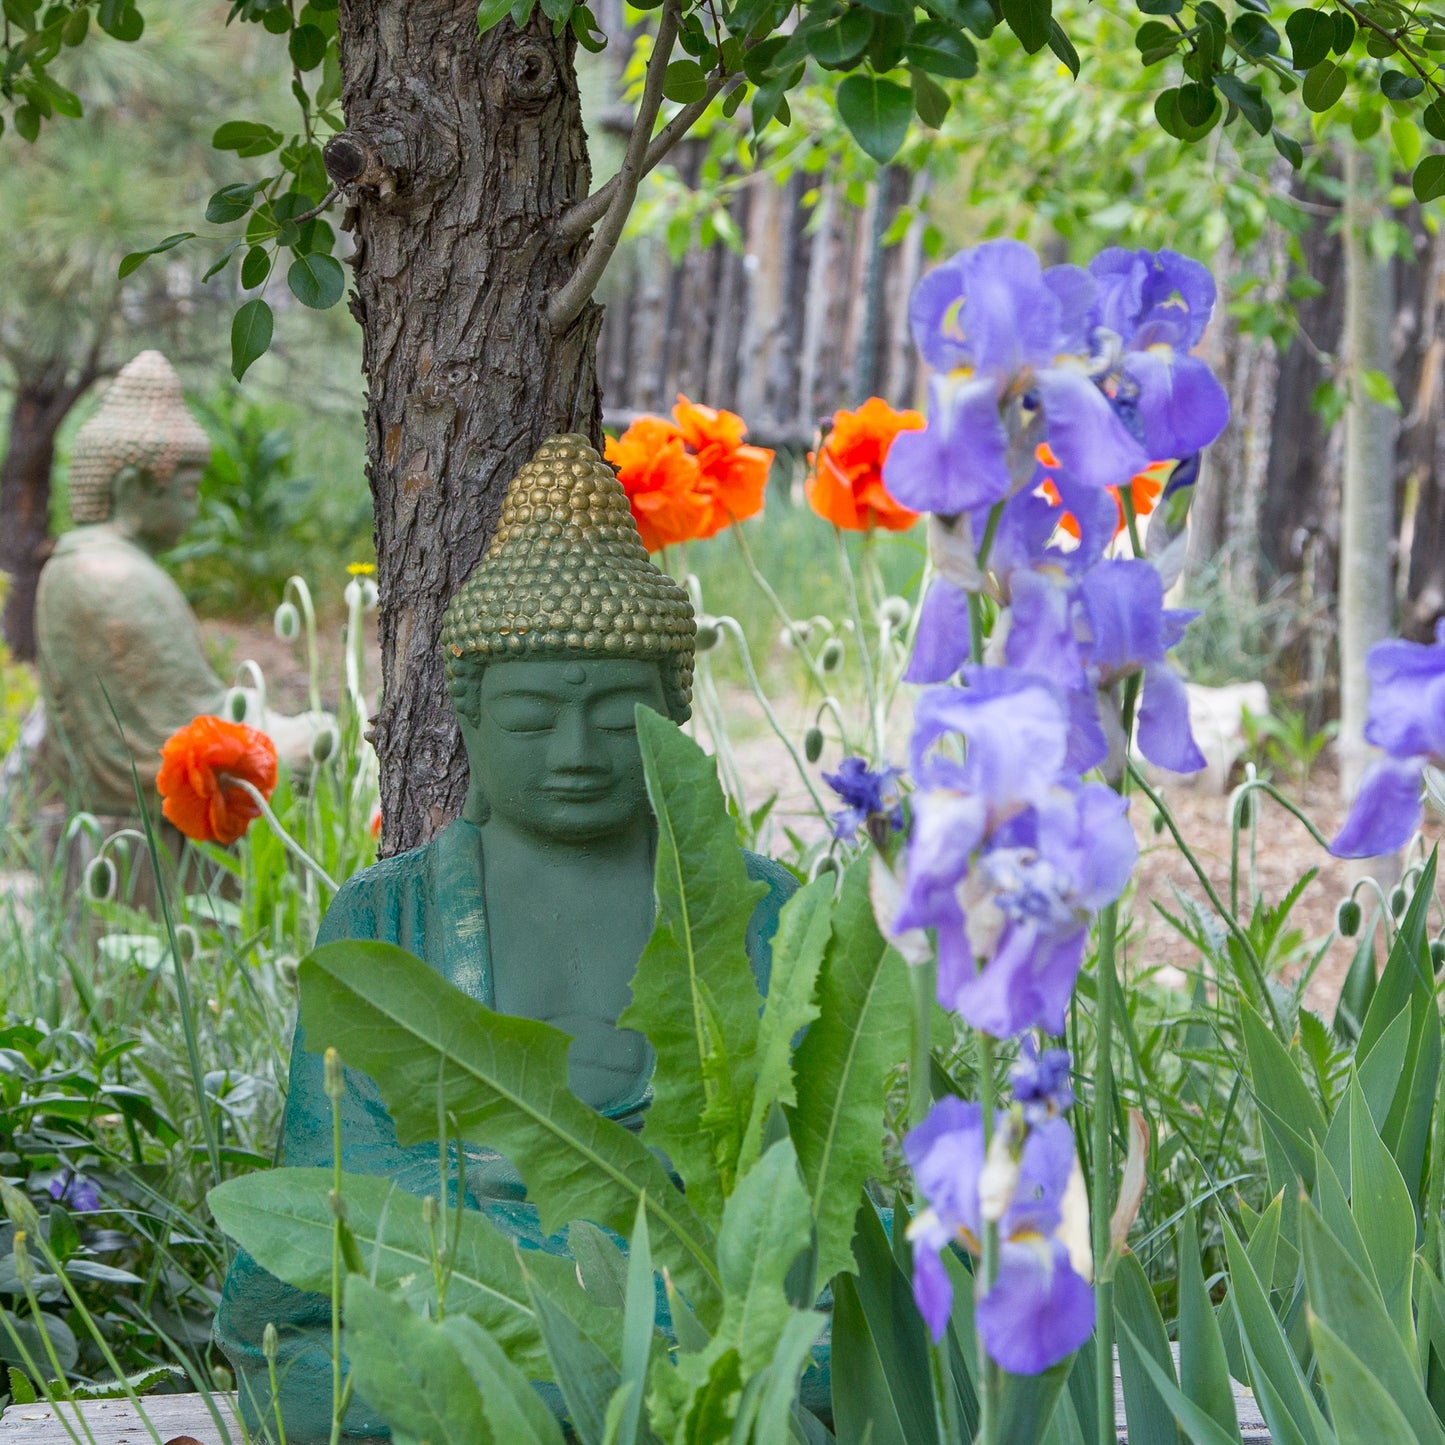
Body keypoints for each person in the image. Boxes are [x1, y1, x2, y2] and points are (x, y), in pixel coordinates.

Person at [214, 434, 796, 1440]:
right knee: (293, 1332)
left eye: (616, 718)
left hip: (684, 1275)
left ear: (673, 714)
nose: (574, 754)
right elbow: (331, 1181)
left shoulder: (754, 904)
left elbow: (799, 1177)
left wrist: (649, 1235)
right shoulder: (384, 915)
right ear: (471, 721)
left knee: (876, 1300)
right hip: (465, 1275)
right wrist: (521, 1240)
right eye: (532, 721)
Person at [31, 350, 328, 818]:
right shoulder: (124, 576)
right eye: (187, 494)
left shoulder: (67, 562)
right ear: (133, 488)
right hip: (156, 785)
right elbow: (196, 726)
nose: (192, 513)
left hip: (97, 785)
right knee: (321, 739)